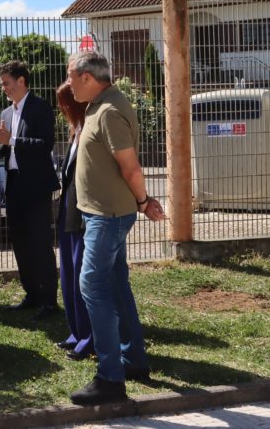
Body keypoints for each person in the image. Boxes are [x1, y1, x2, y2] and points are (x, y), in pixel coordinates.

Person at [66, 51, 166, 406]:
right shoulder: (97, 103)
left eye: (71, 77)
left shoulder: (108, 111)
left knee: (92, 285)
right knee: (115, 284)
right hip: (102, 214)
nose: (68, 84)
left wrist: (143, 201)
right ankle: (133, 359)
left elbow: (131, 167)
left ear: (88, 77)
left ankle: (110, 379)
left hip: (107, 216)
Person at [0, 60, 60, 319]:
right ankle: (31, 293)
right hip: (14, 184)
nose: (4, 89)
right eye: (2, 84)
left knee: (40, 242)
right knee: (20, 242)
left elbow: (45, 144)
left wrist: (12, 140)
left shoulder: (41, 108)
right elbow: (0, 152)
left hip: (36, 186)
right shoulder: (6, 114)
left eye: (6, 83)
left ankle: (49, 299)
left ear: (21, 81)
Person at [54, 82, 93, 361]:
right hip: (68, 209)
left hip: (83, 213)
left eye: (64, 105)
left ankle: (89, 338)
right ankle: (76, 332)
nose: (61, 111)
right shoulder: (75, 130)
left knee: (82, 276)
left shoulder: (90, 127)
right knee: (67, 273)